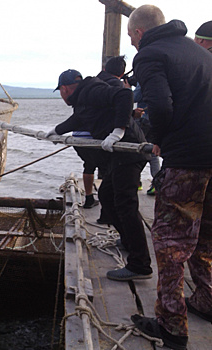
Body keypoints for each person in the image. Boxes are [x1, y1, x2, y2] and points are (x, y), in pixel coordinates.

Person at [127, 6, 212, 350]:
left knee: (170, 246)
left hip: (186, 163)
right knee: (205, 239)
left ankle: (171, 326)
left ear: (138, 33)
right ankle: (207, 300)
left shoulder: (150, 54)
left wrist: (159, 138)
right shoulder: (199, 53)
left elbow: (160, 107)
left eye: (132, 38)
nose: (133, 44)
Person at [47, 69, 152, 282]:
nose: (62, 95)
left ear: (65, 89)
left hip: (128, 150)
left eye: (60, 92)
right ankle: (128, 241)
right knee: (106, 195)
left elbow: (125, 95)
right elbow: (78, 119)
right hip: (119, 155)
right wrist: (57, 131)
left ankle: (140, 264)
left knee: (125, 204)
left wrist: (118, 131)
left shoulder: (92, 90)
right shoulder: (84, 100)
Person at [71, 57, 126, 211]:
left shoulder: (90, 83)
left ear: (104, 69)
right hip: (96, 135)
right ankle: (106, 209)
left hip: (78, 135)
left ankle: (89, 198)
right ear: (121, 73)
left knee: (89, 166)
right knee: (109, 170)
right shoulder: (116, 85)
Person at [132, 83, 161, 195]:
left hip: (143, 120)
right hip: (155, 120)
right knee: (153, 151)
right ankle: (156, 182)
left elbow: (135, 97)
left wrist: (126, 89)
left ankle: (136, 181)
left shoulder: (143, 79)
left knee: (136, 150)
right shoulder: (161, 79)